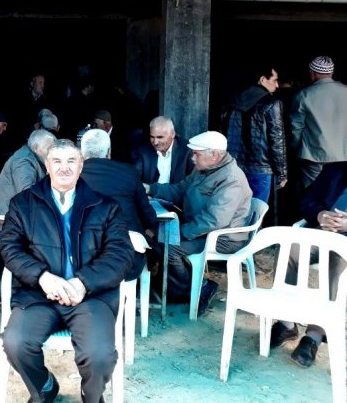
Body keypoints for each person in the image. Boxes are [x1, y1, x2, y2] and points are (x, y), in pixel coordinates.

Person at [0, 139, 136, 403]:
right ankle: (44, 388)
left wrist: (83, 283)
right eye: (57, 161)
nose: (64, 168)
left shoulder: (106, 206)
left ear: (81, 165)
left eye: (71, 161)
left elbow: (120, 254)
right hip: (38, 295)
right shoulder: (23, 204)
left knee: (100, 355)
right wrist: (42, 277)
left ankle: (90, 395)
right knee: (16, 343)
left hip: (91, 297)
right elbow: (9, 248)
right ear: (47, 166)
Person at [145, 131, 252, 315]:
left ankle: (200, 287)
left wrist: (181, 232)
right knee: (157, 235)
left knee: (170, 246)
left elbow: (215, 220)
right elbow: (180, 190)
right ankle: (176, 285)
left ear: (215, 155)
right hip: (203, 228)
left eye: (197, 154)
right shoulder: (204, 169)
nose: (192, 158)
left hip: (224, 237)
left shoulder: (231, 178)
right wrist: (151, 188)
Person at [268, 161, 347, 367]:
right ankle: (287, 322)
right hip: (321, 231)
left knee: (337, 263)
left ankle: (315, 335)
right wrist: (321, 215)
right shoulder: (336, 169)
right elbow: (307, 199)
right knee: (290, 249)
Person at [80, 128, 158, 278]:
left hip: (84, 260)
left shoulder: (71, 176)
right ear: (109, 152)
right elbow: (147, 214)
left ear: (82, 153)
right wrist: (151, 229)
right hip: (127, 260)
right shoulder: (128, 171)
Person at [222, 68, 287, 202]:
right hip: (260, 169)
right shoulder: (272, 103)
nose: (277, 85)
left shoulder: (232, 101)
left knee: (235, 209)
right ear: (262, 79)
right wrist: (282, 173)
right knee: (257, 210)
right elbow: (277, 140)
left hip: (232, 166)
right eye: (274, 80)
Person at [289, 56, 347, 188]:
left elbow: (295, 130)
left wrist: (299, 151)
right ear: (332, 72)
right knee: (340, 196)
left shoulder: (303, 95)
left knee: (313, 195)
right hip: (344, 157)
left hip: (314, 157)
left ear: (312, 73)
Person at [0, 129, 57, 217]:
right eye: (49, 149)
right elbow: (28, 195)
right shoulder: (23, 162)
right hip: (10, 217)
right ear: (36, 148)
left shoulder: (32, 156)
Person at [133, 116, 194, 184]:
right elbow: (135, 179)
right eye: (152, 137)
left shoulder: (187, 150)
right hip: (150, 190)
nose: (155, 142)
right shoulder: (144, 150)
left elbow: (193, 182)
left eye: (160, 137)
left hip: (177, 191)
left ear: (172, 134)